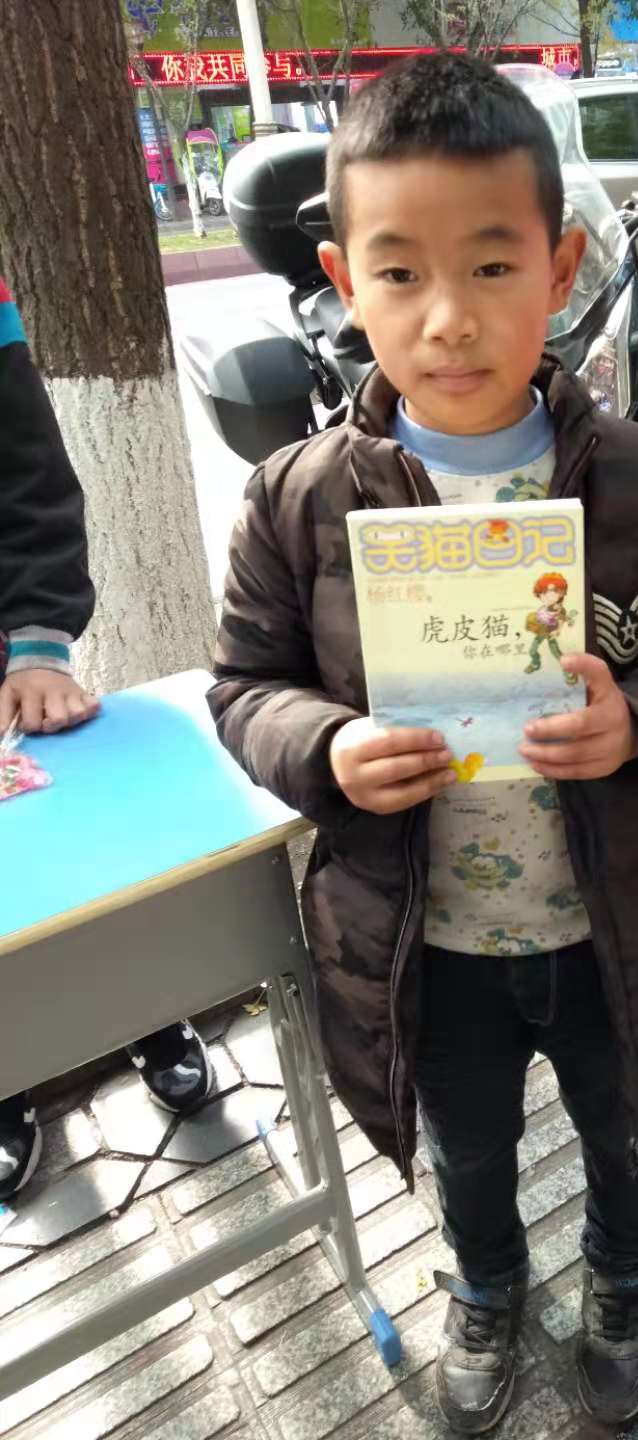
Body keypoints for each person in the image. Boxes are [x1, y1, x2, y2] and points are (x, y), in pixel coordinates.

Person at [207, 53, 638, 1433]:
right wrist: (326, 748)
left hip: (612, 922)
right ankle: (487, 1284)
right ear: (344, 280)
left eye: (494, 266)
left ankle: (624, 1277)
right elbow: (244, 687)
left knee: (625, 1127)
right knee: (467, 1145)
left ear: (562, 265)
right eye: (400, 273)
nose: (450, 317)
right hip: (420, 940)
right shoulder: (297, 499)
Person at [0, 278, 214, 1204]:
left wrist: (38, 644)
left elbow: (30, 477)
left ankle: (151, 1015)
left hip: (11, 681)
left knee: (75, 854)